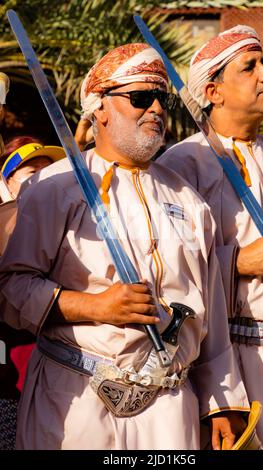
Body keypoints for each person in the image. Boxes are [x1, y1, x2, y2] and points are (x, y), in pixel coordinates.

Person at [0, 43, 249, 450]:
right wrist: (93, 306)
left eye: (161, 98)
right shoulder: (55, 188)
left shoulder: (190, 201)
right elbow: (11, 290)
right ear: (99, 108)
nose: (155, 108)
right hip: (76, 398)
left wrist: (222, 401)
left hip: (171, 408)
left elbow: (213, 313)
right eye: (139, 97)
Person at [159, 25, 263, 450]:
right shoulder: (179, 167)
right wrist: (237, 262)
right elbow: (165, 272)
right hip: (228, 363)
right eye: (250, 67)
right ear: (214, 91)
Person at [0, 136, 65, 449]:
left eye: (47, 172)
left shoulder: (70, 225)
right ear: (7, 182)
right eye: (31, 173)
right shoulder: (7, 222)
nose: (41, 179)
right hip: (13, 367)